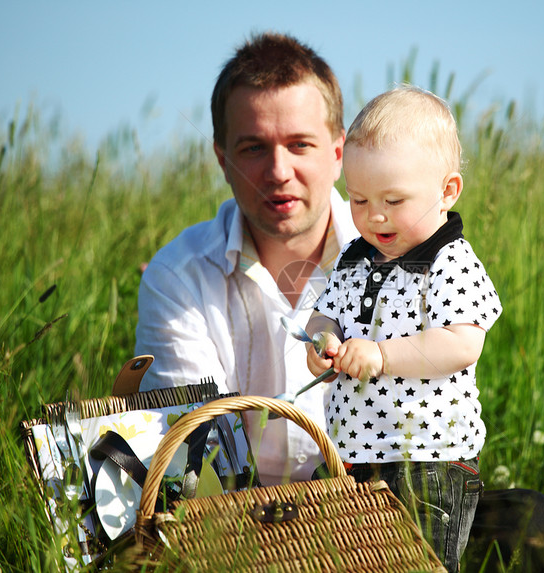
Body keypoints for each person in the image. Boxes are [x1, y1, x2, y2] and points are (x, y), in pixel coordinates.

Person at [134, 32, 358, 486]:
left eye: (300, 145)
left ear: (337, 154)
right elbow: (200, 461)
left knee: (530, 520)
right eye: (254, 148)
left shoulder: (401, 261)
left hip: (374, 512)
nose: (278, 172)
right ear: (222, 159)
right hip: (234, 532)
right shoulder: (177, 279)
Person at [306, 85, 502, 572]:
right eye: (358, 199)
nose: (374, 215)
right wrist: (323, 339)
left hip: (427, 461)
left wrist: (382, 355)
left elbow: (462, 343)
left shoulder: (448, 261)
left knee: (423, 562)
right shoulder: (354, 258)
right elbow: (325, 311)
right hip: (352, 453)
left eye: (394, 200)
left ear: (447, 191)